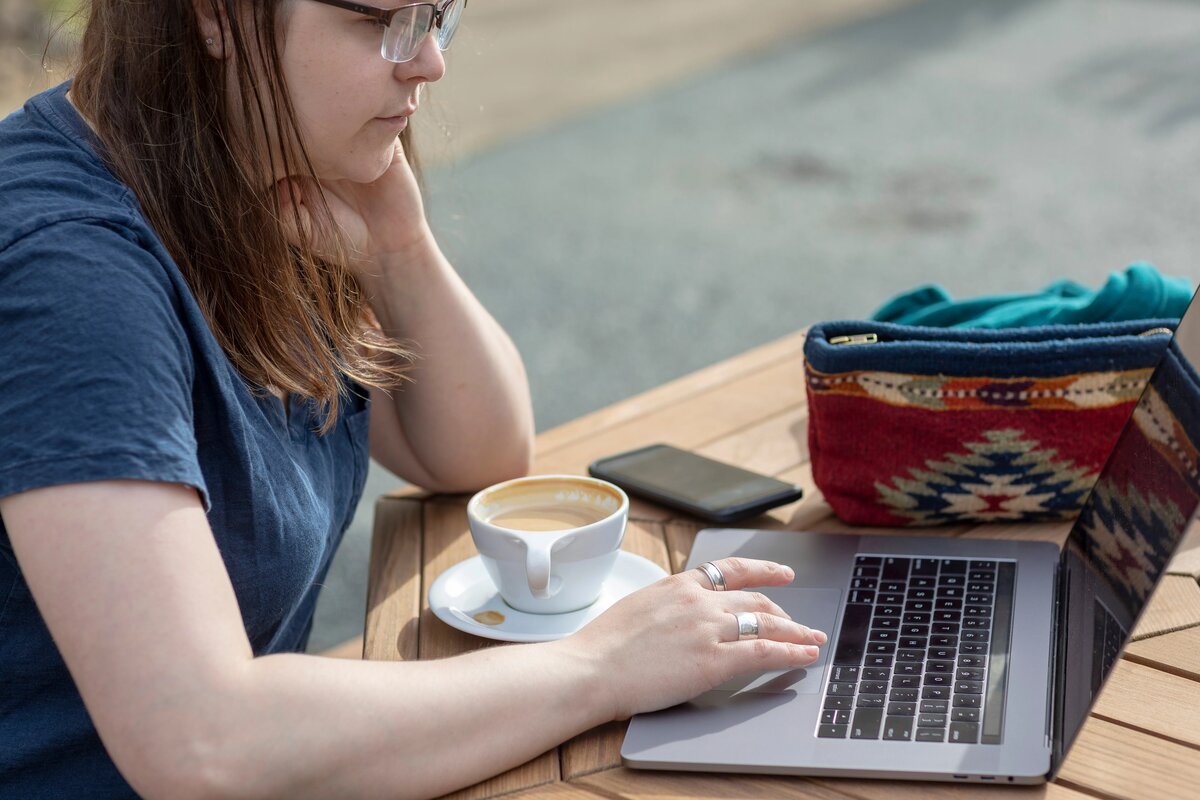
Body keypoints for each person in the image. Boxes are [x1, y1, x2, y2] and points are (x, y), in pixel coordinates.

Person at [0, 2, 826, 797]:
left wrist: (399, 246)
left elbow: (474, 454)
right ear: (215, 15)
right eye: (380, 20)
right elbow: (202, 740)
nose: (431, 60)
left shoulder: (256, 182)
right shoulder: (72, 280)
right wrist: (602, 666)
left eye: (437, 14)